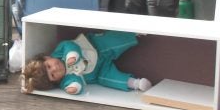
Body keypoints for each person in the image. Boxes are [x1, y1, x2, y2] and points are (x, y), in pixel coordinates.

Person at [21, 32, 152, 95]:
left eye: (49, 66)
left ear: (46, 57)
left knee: (113, 42)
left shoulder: (59, 52)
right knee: (108, 79)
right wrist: (74, 88)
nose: (55, 68)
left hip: (97, 48)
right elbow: (75, 81)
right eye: (53, 75)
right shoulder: (65, 79)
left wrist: (72, 55)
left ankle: (133, 34)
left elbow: (69, 44)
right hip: (99, 72)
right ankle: (135, 83)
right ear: (55, 82)